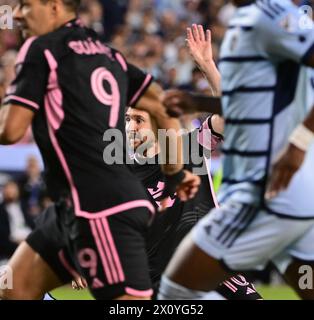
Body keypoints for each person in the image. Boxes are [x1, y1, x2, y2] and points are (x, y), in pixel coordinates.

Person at [0, 0, 200, 300]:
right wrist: (176, 171)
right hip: (71, 207)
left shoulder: (40, 49)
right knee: (13, 289)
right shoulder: (107, 53)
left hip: (100, 208)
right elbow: (163, 106)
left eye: (26, 6)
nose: (15, 15)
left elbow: (10, 131)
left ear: (54, 6)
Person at [158, 0, 314, 300]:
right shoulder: (247, 23)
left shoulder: (272, 16)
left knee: (175, 291)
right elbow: (246, 107)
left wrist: (300, 142)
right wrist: (200, 98)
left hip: (267, 193)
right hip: (289, 194)